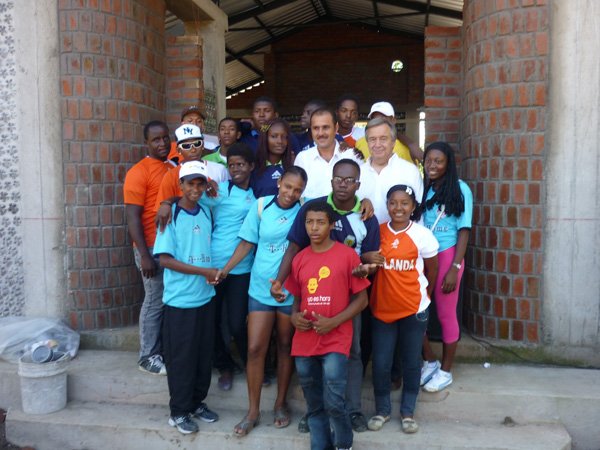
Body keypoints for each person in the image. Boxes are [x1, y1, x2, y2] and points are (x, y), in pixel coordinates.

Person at [270, 159, 380, 433]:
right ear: (331, 181)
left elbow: (372, 259)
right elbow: (295, 248)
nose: (343, 184)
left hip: (350, 299)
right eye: (338, 179)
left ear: (358, 184)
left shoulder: (367, 215)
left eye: (350, 180)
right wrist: (281, 281)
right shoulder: (314, 209)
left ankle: (352, 410)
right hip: (315, 297)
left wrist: (364, 264)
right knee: (312, 357)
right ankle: (315, 412)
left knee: (352, 353)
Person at [215, 167, 308, 437]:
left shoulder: (305, 209)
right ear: (279, 183)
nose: (291, 193)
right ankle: (253, 410)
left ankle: (280, 404)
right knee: (255, 348)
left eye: (298, 189)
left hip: (290, 289)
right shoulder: (261, 206)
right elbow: (246, 244)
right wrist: (226, 270)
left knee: (285, 345)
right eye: (288, 186)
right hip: (260, 287)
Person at [286, 200, 371, 450]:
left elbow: (362, 300)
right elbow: (296, 300)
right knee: (314, 405)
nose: (314, 228)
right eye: (310, 222)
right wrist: (293, 316)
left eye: (320, 222)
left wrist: (333, 322)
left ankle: (343, 443)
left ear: (332, 225)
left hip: (335, 339)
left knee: (334, 402)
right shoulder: (300, 259)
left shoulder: (347, 256)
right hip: (304, 341)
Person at [153, 161, 220, 434]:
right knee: (181, 359)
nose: (195, 188)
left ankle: (196, 403)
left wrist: (210, 274)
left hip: (205, 297)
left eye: (199, 183)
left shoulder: (205, 211)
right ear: (180, 185)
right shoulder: (169, 217)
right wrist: (202, 270)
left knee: (203, 356)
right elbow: (165, 260)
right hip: (180, 301)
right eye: (189, 183)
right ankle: (178, 411)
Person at [367, 184, 438, 434]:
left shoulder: (422, 235)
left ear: (413, 207)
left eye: (404, 203)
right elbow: (367, 259)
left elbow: (433, 269)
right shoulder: (378, 231)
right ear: (387, 206)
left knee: (410, 363)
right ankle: (382, 410)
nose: (399, 208)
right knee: (382, 364)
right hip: (382, 309)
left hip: (413, 310)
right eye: (393, 203)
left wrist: (424, 298)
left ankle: (408, 411)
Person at [201, 143, 256, 391]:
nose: (236, 169)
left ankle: (251, 364)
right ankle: (224, 366)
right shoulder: (218, 191)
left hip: (241, 269)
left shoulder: (258, 196)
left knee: (237, 324)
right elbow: (189, 198)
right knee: (211, 322)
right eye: (232, 165)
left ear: (251, 167)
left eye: (241, 164)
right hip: (213, 265)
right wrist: (167, 204)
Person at [420, 141, 473, 393]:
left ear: (448, 164)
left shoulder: (461, 189)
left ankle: (446, 371)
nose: (432, 165)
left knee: (444, 314)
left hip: (448, 256)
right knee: (416, 310)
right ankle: (430, 361)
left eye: (438, 161)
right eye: (429, 160)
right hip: (424, 257)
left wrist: (455, 266)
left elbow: (464, 230)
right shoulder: (425, 188)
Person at [123, 120, 172, 375]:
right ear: (147, 143)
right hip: (149, 247)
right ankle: (147, 356)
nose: (162, 143)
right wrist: (144, 255)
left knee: (166, 299)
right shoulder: (138, 172)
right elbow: (132, 217)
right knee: (154, 300)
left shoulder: (171, 164)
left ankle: (160, 350)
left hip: (169, 246)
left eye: (165, 138)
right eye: (156, 140)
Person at [357, 117, 423, 224]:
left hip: (400, 239)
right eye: (372, 139)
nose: (377, 144)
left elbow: (419, 215)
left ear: (393, 142)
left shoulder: (410, 172)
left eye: (383, 139)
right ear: (367, 142)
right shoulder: (357, 174)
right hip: (365, 239)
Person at [154, 124, 228, 210]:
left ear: (203, 145)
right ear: (178, 150)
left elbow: (228, 201)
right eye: (186, 146)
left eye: (197, 143)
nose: (193, 149)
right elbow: (162, 210)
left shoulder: (219, 169)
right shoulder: (171, 175)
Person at [294, 108, 361, 200]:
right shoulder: (303, 158)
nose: (320, 133)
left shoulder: (352, 156)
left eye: (325, 127)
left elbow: (362, 191)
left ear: (336, 128)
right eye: (316, 128)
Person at [354, 101, 423, 164]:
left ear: (393, 120)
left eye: (383, 119)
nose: (379, 123)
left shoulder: (407, 147)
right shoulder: (360, 143)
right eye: (375, 119)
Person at [250, 118, 295, 198]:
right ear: (264, 138)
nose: (280, 141)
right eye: (274, 136)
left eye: (285, 137)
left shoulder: (294, 166)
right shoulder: (252, 168)